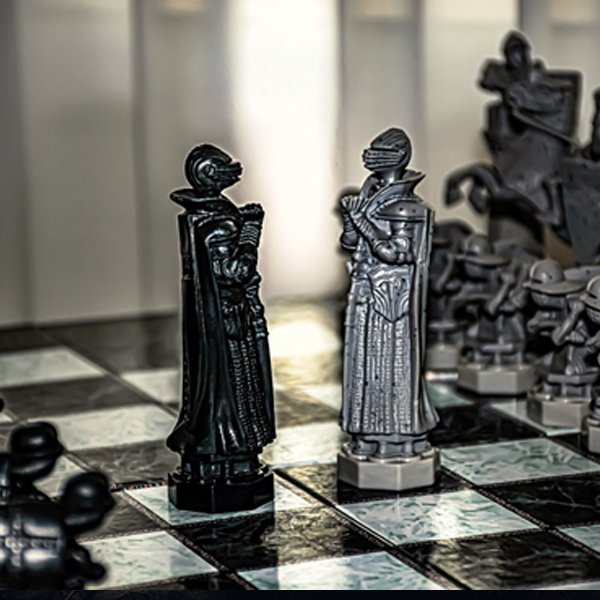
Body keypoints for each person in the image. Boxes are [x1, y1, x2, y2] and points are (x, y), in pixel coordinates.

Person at [338, 128, 438, 461]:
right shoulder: (370, 196)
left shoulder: (408, 208)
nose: (371, 157)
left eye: (380, 151)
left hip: (391, 302)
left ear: (398, 157)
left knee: (390, 363)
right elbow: (349, 243)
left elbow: (396, 253)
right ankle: (367, 435)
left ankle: (396, 437)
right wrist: (352, 221)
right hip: (366, 293)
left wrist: (361, 221)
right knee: (365, 367)